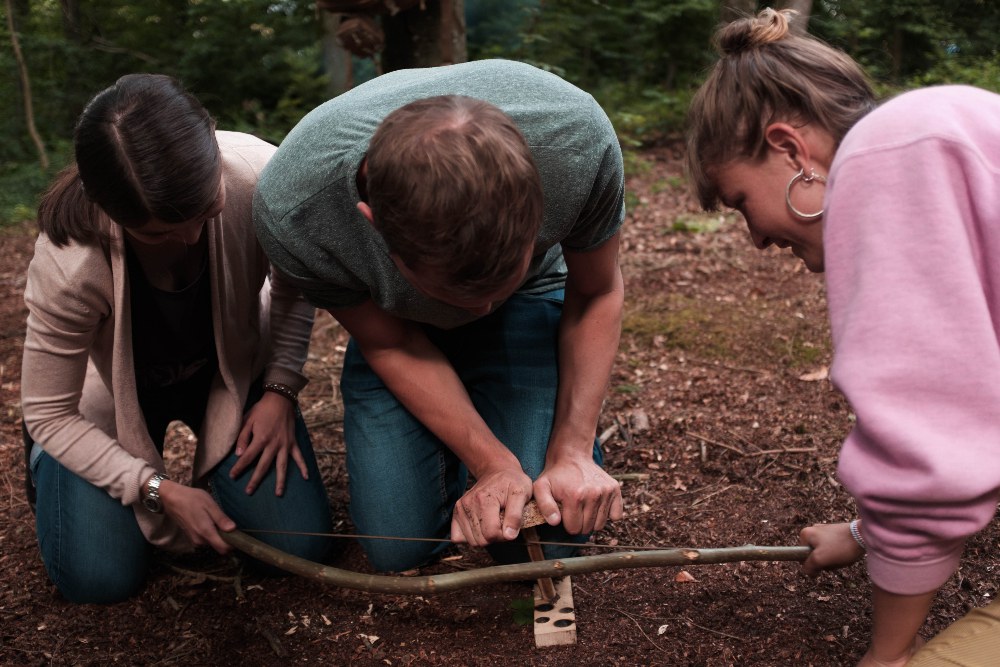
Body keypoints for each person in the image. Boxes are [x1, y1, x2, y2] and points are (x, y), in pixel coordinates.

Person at [686, 8, 1000, 666]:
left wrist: (888, 653)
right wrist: (864, 533)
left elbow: (930, 446)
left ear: (792, 150)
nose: (756, 238)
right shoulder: (936, 130)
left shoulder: (884, 160)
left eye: (741, 201)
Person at [253, 59, 626, 572]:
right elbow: (390, 343)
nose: (478, 310)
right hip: (402, 331)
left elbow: (597, 290)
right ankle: (476, 429)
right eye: (455, 291)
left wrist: (573, 449)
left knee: (545, 540)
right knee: (395, 550)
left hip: (533, 300)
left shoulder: (575, 144)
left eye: (496, 284)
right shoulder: (297, 209)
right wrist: (492, 464)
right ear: (374, 225)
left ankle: (511, 413)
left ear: (541, 201)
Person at [21, 73, 334, 604]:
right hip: (110, 396)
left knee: (300, 546)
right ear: (108, 209)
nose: (189, 238)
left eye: (204, 213)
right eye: (158, 232)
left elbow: (295, 284)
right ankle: (51, 472)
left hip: (233, 368)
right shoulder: (70, 262)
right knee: (100, 580)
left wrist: (280, 388)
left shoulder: (261, 175)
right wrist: (154, 488)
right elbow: (48, 411)